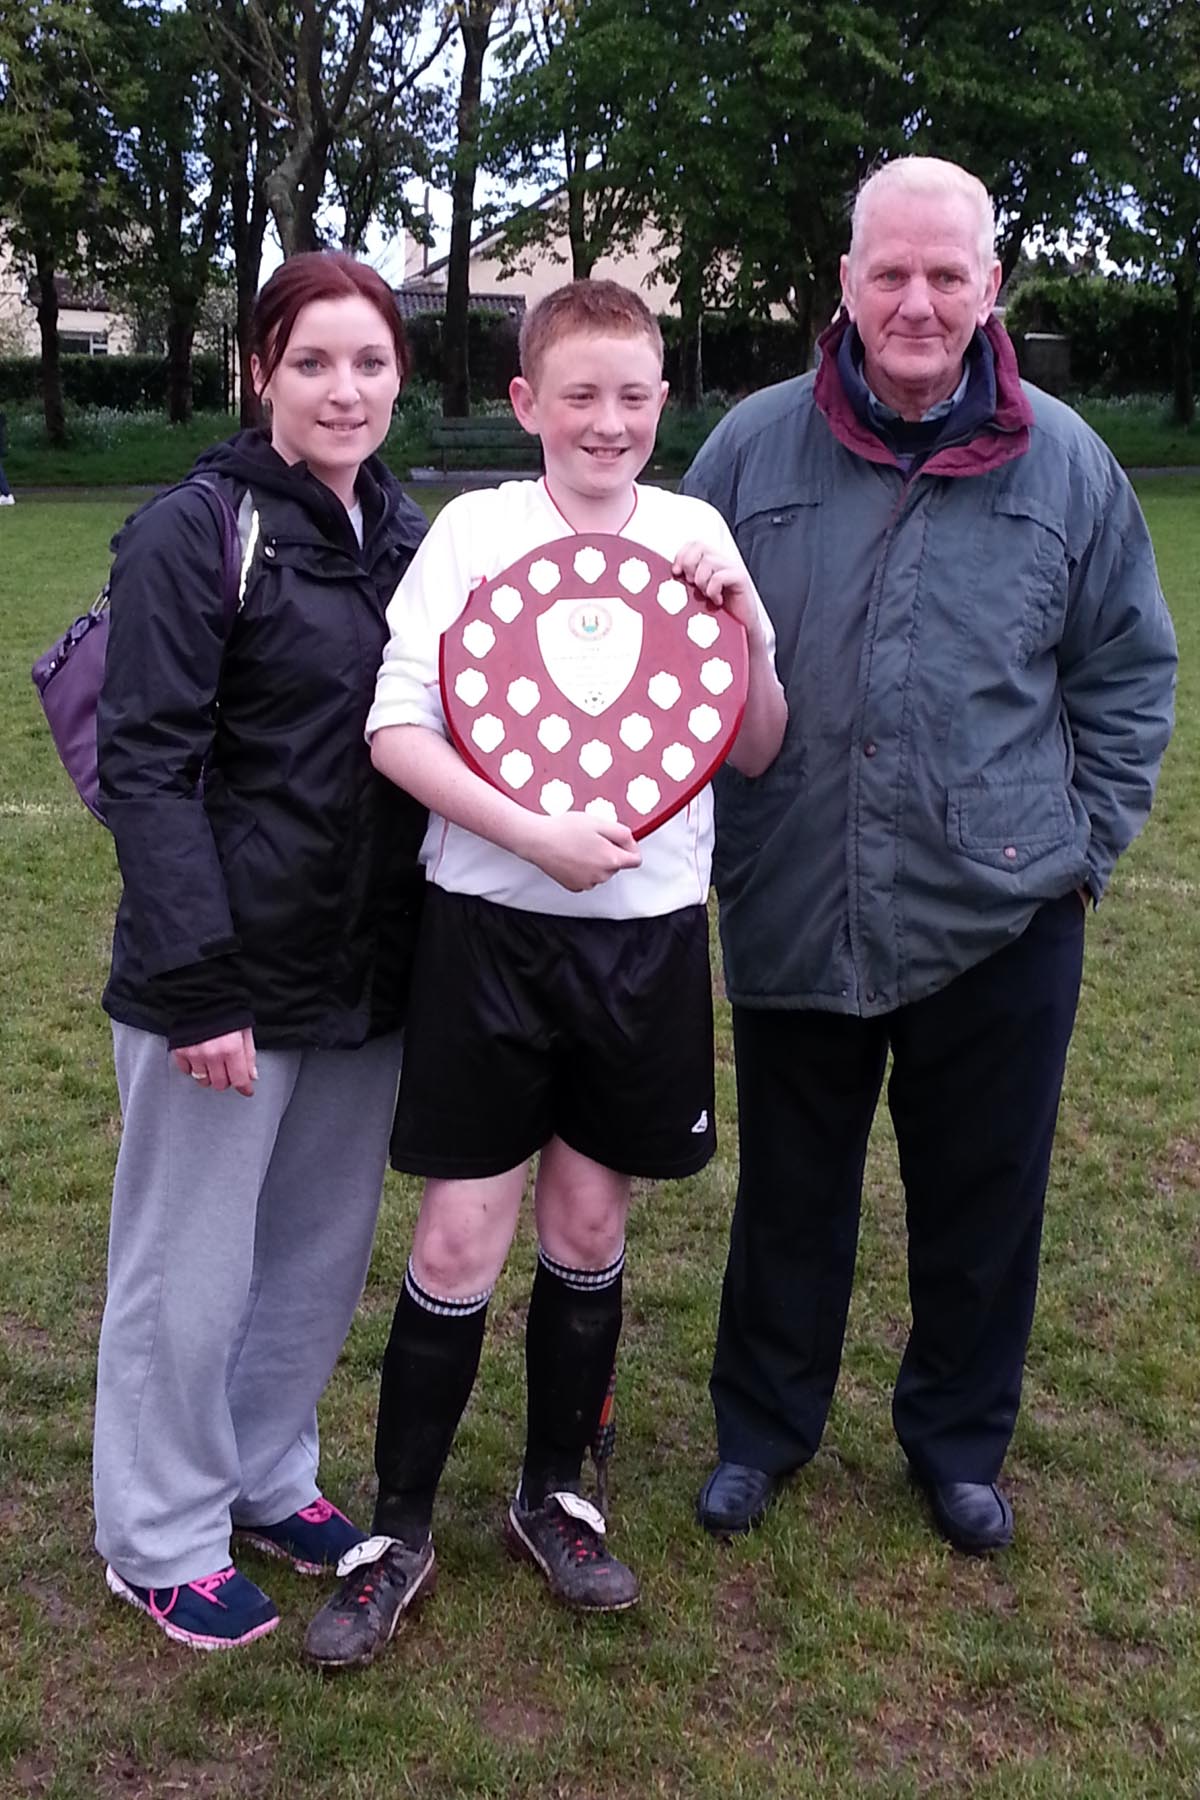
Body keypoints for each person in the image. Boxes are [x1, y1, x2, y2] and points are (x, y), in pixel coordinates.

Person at [682, 157, 1178, 1555]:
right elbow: (678, 664)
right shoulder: (749, 452)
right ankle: (763, 1433)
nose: (916, 301)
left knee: (983, 1197)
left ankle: (958, 1442)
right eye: (888, 272)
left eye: (945, 275)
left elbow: (1129, 673)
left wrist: (1081, 847)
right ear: (843, 283)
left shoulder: (1066, 461)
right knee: (792, 1188)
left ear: (989, 288)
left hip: (1002, 908)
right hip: (797, 890)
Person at [302, 278, 787, 1670]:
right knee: (461, 1235)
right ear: (527, 403)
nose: (610, 421)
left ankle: (555, 1495)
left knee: (586, 1230)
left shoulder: (695, 531)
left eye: (636, 395)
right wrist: (531, 837)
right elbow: (401, 733)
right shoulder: (475, 532)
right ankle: (397, 1527)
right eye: (579, 394)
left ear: (662, 402)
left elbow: (756, 743)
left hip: (643, 943)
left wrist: (747, 620)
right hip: (492, 932)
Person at [93, 251, 430, 1649]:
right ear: (260, 373)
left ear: (400, 376)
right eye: (312, 363)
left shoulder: (416, 534)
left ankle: (266, 1474)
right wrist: (199, 985)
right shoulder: (195, 530)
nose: (343, 390)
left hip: (367, 974)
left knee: (309, 1254)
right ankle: (159, 1531)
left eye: (368, 363)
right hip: (222, 979)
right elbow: (148, 766)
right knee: (190, 1264)